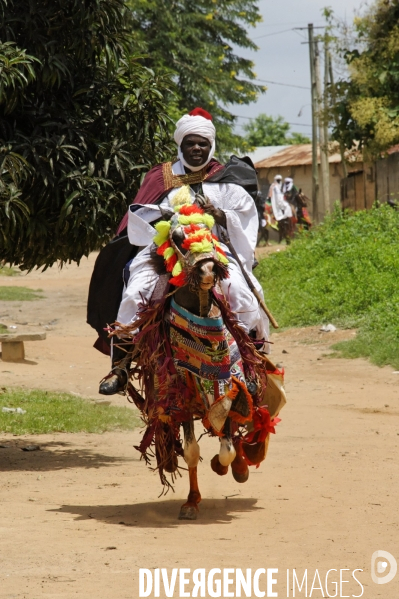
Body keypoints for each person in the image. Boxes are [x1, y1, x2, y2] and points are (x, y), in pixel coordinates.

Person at [99, 108, 270, 394]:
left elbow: (245, 215)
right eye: (190, 143)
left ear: (211, 146)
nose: (196, 149)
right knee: (135, 292)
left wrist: (220, 214)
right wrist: (164, 214)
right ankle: (121, 367)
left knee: (245, 294)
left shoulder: (224, 177)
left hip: (215, 250)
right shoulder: (160, 177)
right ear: (180, 145)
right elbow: (139, 216)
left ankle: (251, 365)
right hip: (164, 252)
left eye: (202, 143)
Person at [268, 174, 293, 244]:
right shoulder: (274, 186)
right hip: (275, 202)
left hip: (280, 201)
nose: (279, 181)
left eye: (279, 180)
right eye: (278, 180)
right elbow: (274, 196)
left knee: (288, 206)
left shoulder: (281, 186)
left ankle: (287, 218)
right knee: (287, 207)